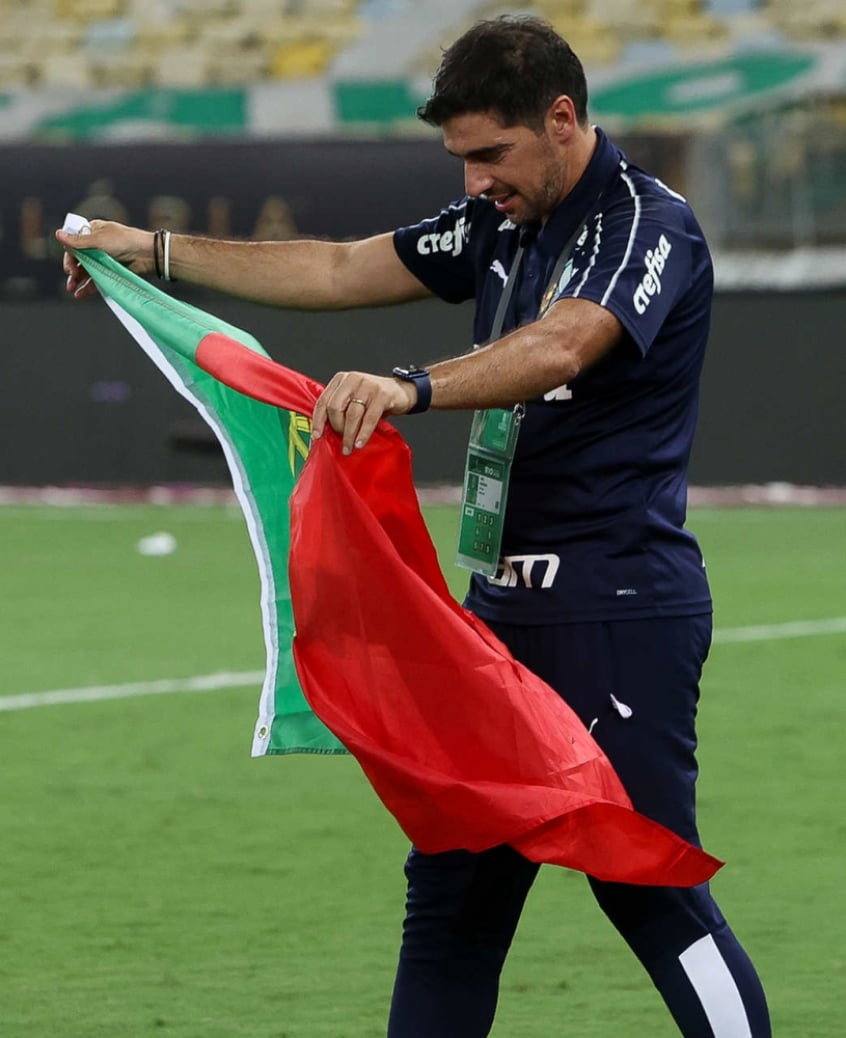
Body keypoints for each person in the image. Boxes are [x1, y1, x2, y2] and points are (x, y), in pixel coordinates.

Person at [58, 16, 771, 1036]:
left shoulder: (644, 225)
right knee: (452, 905)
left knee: (646, 885)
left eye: (492, 154)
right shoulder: (503, 223)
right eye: (461, 159)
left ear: (562, 119)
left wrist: (412, 386)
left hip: (616, 610)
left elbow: (566, 344)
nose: (476, 181)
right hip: (494, 621)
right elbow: (343, 269)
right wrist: (155, 252)